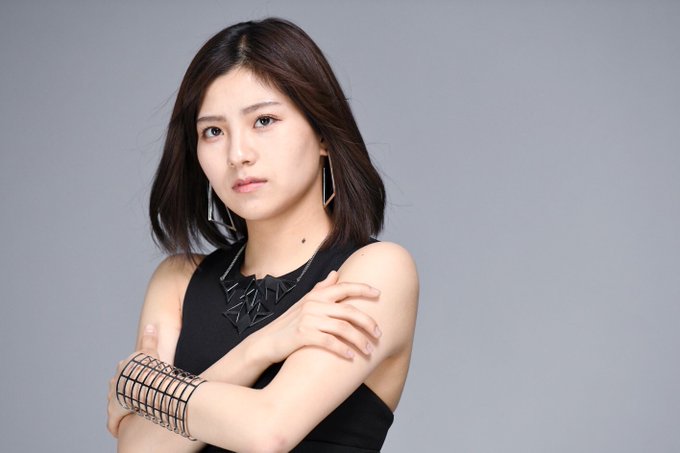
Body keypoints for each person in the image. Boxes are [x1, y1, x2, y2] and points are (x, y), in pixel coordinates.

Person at [107, 17, 418, 452]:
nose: (238, 154)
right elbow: (137, 449)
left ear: (323, 133)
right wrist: (261, 348)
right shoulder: (177, 280)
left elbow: (268, 430)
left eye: (264, 120)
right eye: (213, 131)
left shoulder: (376, 271)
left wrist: (143, 388)